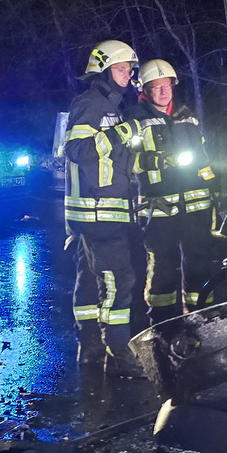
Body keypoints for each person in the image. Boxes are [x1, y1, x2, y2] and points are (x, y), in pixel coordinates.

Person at [64, 40, 146, 377]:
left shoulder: (110, 105)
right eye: (121, 68)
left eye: (130, 68)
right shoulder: (92, 103)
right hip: (100, 213)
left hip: (97, 212)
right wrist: (124, 132)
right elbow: (78, 149)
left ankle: (90, 347)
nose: (128, 74)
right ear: (103, 69)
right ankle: (120, 353)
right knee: (119, 280)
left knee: (87, 281)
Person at [132, 59, 218, 323]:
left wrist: (213, 187)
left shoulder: (187, 116)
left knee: (201, 261)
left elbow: (203, 157)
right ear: (144, 90)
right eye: (155, 87)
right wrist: (157, 161)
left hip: (197, 204)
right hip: (159, 207)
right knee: (164, 266)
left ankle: (202, 315)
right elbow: (127, 162)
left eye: (166, 85)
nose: (162, 91)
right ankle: (162, 321)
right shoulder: (135, 119)